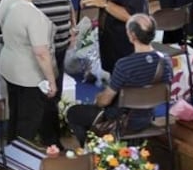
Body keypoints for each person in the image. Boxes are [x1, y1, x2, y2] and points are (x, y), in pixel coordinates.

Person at [66, 14, 173, 147]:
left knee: (73, 113)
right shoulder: (166, 61)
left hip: (122, 122)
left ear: (132, 35)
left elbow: (105, 100)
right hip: (147, 117)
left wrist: (98, 99)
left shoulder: (125, 64)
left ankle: (92, 151)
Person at [0, 0, 60, 146]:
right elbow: (41, 52)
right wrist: (51, 80)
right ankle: (20, 163)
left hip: (9, 67)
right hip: (29, 75)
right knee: (28, 123)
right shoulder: (32, 14)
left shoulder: (6, 0)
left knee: (15, 117)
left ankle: (9, 158)